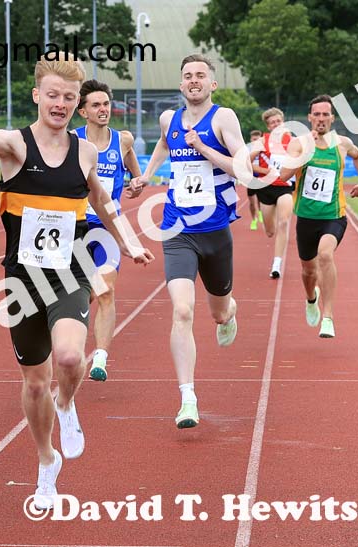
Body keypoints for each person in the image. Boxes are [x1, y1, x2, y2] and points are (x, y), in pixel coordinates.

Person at [0, 55, 153, 510]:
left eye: (68, 98)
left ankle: (68, 405)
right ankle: (47, 460)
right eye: (53, 95)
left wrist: (128, 241)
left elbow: (102, 200)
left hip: (70, 270)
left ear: (75, 103)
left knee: (68, 357)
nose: (60, 104)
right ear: (37, 97)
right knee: (33, 383)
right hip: (23, 281)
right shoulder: (15, 146)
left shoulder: (85, 151)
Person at [131, 54, 249, 430]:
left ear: (212, 84)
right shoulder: (169, 119)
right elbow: (164, 146)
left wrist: (205, 149)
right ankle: (188, 398)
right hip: (177, 230)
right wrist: (146, 176)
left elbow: (242, 168)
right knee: (182, 311)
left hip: (215, 231)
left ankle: (229, 310)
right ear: (181, 85)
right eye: (187, 76)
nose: (194, 80)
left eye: (200, 75)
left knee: (217, 312)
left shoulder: (224, 118)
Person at [280, 94, 358, 339]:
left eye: (325, 114)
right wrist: (303, 156)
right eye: (316, 114)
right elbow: (284, 175)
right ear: (309, 118)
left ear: (332, 117)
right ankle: (311, 299)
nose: (320, 119)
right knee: (308, 272)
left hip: (334, 215)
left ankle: (328, 317)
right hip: (306, 218)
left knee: (325, 255)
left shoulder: (342, 143)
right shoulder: (299, 143)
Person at [73, 79, 142, 381]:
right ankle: (66, 330)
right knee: (79, 295)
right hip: (75, 226)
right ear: (82, 112)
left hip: (108, 226)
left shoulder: (123, 139)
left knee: (106, 290)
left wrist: (136, 185)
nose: (103, 110)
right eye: (96, 106)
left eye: (105, 104)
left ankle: (100, 356)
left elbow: (136, 175)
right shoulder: (71, 140)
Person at [249, 108, 295, 279]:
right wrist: (265, 170)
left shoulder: (292, 141)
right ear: (268, 127)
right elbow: (247, 162)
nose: (276, 125)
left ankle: (276, 264)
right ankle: (270, 229)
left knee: (284, 222)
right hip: (265, 188)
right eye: (272, 123)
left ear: (283, 122)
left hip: (284, 187)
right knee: (270, 231)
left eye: (278, 121)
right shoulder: (262, 141)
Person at [246, 130, 264, 230]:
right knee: (252, 202)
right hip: (251, 178)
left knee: (261, 199)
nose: (255, 141)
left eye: (257, 140)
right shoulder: (247, 149)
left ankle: (260, 212)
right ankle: (254, 219)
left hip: (261, 178)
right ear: (251, 139)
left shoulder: (264, 150)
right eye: (254, 140)